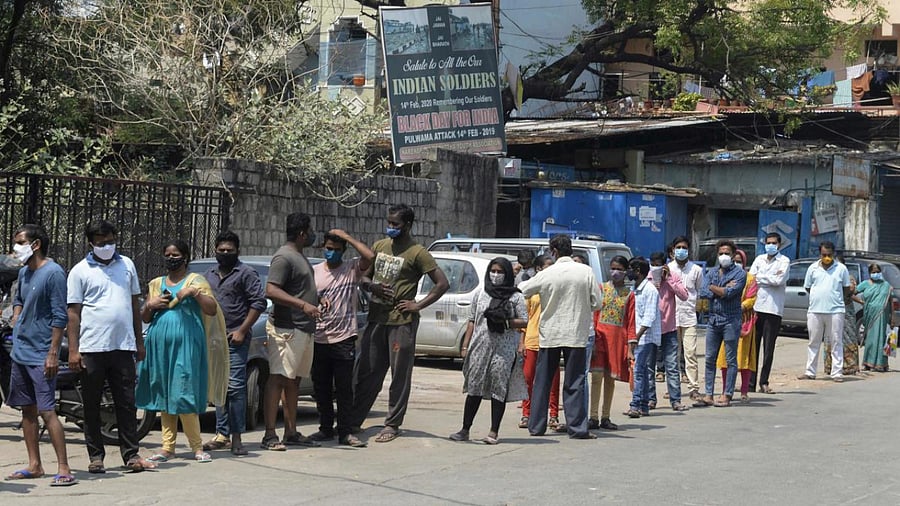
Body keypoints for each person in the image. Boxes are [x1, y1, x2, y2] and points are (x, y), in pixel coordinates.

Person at [351, 204, 449, 443]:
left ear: (407, 225)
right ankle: (353, 421)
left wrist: (417, 305)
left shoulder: (418, 252)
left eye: (396, 224)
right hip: (376, 318)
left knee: (399, 375)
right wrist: (371, 285)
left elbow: (441, 283)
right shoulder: (380, 246)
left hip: (401, 322)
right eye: (389, 223)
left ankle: (392, 423)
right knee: (367, 372)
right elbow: (363, 275)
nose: (391, 228)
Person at [67, 220, 157, 473]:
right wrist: (74, 350)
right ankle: (96, 456)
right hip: (92, 347)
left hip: (123, 346)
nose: (106, 245)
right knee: (92, 404)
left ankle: (131, 454)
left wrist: (139, 342)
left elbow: (134, 304)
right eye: (100, 241)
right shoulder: (80, 271)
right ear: (90, 242)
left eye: (109, 240)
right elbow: (73, 312)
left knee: (126, 402)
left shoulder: (126, 265)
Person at [138, 240, 227, 463]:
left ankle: (196, 446)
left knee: (183, 392)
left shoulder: (196, 281)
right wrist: (150, 304)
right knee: (166, 394)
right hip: (160, 346)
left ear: (185, 256)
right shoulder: (156, 284)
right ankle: (167, 447)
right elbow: (145, 317)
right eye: (167, 254)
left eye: (175, 254)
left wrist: (194, 294)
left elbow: (211, 309)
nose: (171, 258)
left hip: (186, 345)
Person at [5, 225, 76, 486]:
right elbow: (19, 299)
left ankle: (64, 467)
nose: (16, 248)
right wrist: (16, 312)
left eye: (20, 242)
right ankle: (34, 464)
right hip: (21, 351)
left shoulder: (54, 273)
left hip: (41, 353)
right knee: (27, 411)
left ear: (35, 245)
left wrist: (53, 353)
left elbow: (60, 315)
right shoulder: (24, 272)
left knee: (47, 411)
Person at [519, 235, 602, 439]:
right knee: (575, 382)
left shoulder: (548, 273)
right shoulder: (585, 272)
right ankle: (577, 428)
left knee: (542, 381)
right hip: (576, 334)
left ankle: (536, 426)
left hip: (550, 334)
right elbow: (597, 303)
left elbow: (523, 290)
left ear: (553, 251)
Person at [201, 231, 267, 456]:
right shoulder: (208, 275)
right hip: (213, 340)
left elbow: (258, 303)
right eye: (222, 250)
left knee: (236, 387)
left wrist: (242, 330)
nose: (225, 254)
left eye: (230, 250)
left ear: (237, 251)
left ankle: (237, 436)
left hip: (235, 338)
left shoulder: (246, 273)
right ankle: (222, 434)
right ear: (216, 251)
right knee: (219, 387)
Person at [308, 229, 374, 448]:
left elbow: (370, 257)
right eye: (328, 249)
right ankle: (325, 428)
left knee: (344, 388)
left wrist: (347, 237)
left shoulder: (351, 269)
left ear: (343, 251)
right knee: (321, 387)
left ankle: (345, 432)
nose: (332, 253)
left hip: (344, 337)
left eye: (336, 250)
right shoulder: (315, 271)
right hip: (319, 337)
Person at [450, 258, 528, 445]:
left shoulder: (516, 297)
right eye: (493, 271)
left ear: (507, 274)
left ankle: (493, 431)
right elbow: (471, 320)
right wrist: (465, 345)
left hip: (504, 349)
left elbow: (524, 320)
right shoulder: (481, 293)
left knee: (498, 389)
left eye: (500, 272)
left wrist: (506, 321)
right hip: (480, 346)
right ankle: (465, 429)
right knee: (474, 387)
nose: (496, 275)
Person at [261, 212, 321, 451]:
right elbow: (271, 291)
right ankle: (269, 434)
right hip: (286, 329)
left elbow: (298, 290)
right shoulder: (283, 257)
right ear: (302, 233)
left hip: (303, 329)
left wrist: (317, 301)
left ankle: (291, 431)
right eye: (310, 231)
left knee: (293, 381)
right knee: (277, 378)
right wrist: (303, 305)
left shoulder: (299, 256)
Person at [695, 239, 746, 408]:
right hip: (713, 320)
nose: (724, 256)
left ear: (733, 255)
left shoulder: (739, 274)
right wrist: (718, 289)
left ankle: (727, 394)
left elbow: (729, 293)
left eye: (727, 253)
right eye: (721, 253)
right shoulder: (712, 272)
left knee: (730, 359)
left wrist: (714, 288)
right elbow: (703, 292)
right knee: (710, 358)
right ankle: (709, 394)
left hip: (731, 320)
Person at [587, 256, 635, 429]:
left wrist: (630, 348)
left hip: (617, 341)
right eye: (613, 268)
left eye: (619, 269)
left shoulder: (629, 295)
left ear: (625, 271)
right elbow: (594, 315)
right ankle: (593, 416)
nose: (615, 272)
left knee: (610, 378)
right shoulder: (601, 288)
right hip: (600, 338)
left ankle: (605, 416)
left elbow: (631, 323)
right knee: (597, 377)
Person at [518, 255, 561, 430]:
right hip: (532, 339)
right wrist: (521, 342)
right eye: (547, 266)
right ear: (538, 269)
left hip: (552, 339)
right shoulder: (531, 289)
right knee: (528, 379)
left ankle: (553, 415)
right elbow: (524, 317)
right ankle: (526, 414)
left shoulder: (557, 287)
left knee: (553, 380)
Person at [798, 242, 850, 382]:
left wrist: (836, 299)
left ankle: (836, 372)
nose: (826, 257)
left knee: (836, 341)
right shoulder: (813, 268)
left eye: (829, 255)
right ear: (820, 254)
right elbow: (808, 287)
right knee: (813, 341)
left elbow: (846, 288)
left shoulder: (841, 268)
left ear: (833, 254)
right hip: (815, 310)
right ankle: (810, 372)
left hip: (836, 311)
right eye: (824, 255)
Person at [646, 251, 690, 411]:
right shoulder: (646, 278)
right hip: (650, 329)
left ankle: (675, 400)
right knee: (649, 366)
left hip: (669, 328)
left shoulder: (673, 277)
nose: (656, 267)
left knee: (672, 365)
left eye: (659, 264)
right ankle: (650, 399)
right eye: (654, 264)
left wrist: (669, 279)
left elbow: (684, 295)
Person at [748, 232, 789, 394]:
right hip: (757, 307)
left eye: (773, 243)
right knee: (753, 347)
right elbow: (751, 278)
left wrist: (761, 277)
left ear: (779, 245)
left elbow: (778, 281)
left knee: (768, 348)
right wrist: (767, 278)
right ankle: (750, 382)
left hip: (773, 309)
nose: (770, 245)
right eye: (768, 242)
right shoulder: (759, 259)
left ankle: (763, 381)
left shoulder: (784, 261)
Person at [717, 249, 758, 403]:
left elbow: (752, 298)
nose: (737, 263)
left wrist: (740, 307)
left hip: (745, 320)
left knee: (745, 357)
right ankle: (725, 390)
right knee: (726, 357)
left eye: (740, 261)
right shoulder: (723, 276)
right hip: (726, 318)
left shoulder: (750, 278)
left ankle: (744, 391)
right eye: (735, 260)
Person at [668, 236, 704, 399]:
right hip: (671, 318)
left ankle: (693, 387)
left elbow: (699, 291)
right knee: (673, 355)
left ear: (688, 250)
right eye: (678, 247)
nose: (681, 250)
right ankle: (673, 388)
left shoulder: (696, 270)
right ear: (673, 250)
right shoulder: (667, 269)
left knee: (690, 353)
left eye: (684, 247)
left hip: (689, 317)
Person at [623, 257, 660, 418]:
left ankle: (635, 404)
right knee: (642, 371)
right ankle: (644, 405)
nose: (627, 272)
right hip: (636, 335)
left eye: (630, 268)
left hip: (645, 337)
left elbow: (649, 317)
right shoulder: (634, 289)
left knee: (637, 370)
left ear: (638, 271)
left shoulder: (650, 290)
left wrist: (635, 337)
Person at [856, 263, 894, 372]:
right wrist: (861, 301)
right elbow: (852, 293)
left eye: (878, 272)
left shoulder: (886, 285)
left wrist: (893, 317)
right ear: (869, 273)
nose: (876, 274)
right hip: (869, 315)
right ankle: (868, 363)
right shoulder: (865, 284)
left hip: (882, 316)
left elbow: (891, 301)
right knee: (870, 339)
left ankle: (881, 363)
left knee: (881, 338)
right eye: (873, 272)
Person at [827, 266, 859, 375]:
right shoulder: (828, 276)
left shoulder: (849, 278)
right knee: (832, 338)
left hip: (846, 312)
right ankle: (831, 366)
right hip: (831, 310)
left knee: (848, 338)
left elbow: (850, 291)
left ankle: (849, 367)